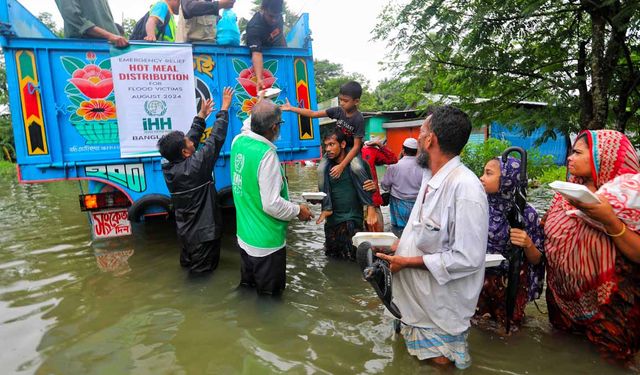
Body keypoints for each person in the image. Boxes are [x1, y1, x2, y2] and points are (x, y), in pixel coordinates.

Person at [376, 106, 488, 369]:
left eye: (421, 131)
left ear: (430, 140)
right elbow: (421, 228)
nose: (418, 137)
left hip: (440, 311)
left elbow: (468, 258)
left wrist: (406, 261)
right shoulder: (430, 176)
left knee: (439, 366)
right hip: (417, 303)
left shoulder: (466, 189)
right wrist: (398, 246)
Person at [544, 129, 640, 365]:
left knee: (606, 365)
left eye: (577, 152)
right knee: (558, 359)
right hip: (561, 304)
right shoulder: (567, 193)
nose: (569, 158)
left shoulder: (629, 201)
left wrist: (610, 220)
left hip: (609, 308)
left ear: (602, 157)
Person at [230, 100, 314, 295]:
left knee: (248, 290)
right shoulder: (266, 155)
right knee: (270, 300)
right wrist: (297, 209)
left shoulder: (238, 142)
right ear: (274, 127)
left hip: (244, 238)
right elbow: (271, 204)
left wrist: (261, 103)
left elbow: (247, 123)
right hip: (266, 244)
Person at [282, 81, 378, 230]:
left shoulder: (358, 118)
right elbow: (313, 114)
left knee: (357, 167)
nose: (342, 103)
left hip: (351, 149)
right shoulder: (338, 111)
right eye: (340, 100)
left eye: (345, 101)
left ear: (356, 101)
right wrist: (291, 109)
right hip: (339, 146)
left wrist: (341, 165)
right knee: (320, 169)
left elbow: (357, 145)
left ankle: (369, 206)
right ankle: (327, 207)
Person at [157, 87, 233, 274]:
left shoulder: (169, 166)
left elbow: (189, 140)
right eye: (188, 142)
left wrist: (201, 116)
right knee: (202, 280)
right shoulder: (196, 166)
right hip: (204, 236)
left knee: (188, 270)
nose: (192, 141)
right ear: (185, 152)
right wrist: (224, 109)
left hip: (186, 234)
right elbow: (215, 139)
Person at [475, 157, 544, 332]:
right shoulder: (477, 206)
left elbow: (537, 260)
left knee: (508, 330)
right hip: (478, 279)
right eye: (483, 172)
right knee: (478, 325)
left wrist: (527, 243)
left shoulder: (526, 214)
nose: (481, 178)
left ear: (508, 180)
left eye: (488, 173)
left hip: (511, 282)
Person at [317, 130, 373, 259]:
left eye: (332, 144)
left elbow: (370, 189)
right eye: (326, 145)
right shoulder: (325, 169)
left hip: (353, 222)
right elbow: (323, 193)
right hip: (332, 224)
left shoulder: (360, 165)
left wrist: (371, 207)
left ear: (342, 144)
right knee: (333, 261)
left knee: (355, 260)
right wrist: (316, 199)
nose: (328, 149)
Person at [380, 138, 423, 236]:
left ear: (403, 150)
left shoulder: (394, 167)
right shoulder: (423, 167)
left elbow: (384, 185)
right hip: (417, 204)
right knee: (415, 231)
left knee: (399, 232)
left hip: (398, 205)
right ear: (416, 152)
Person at [245, 0, 287, 94]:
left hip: (275, 50)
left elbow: (281, 36)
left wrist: (286, 55)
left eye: (277, 16)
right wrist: (259, 79)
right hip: (259, 51)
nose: (274, 20)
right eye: (271, 16)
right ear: (262, 9)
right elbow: (257, 53)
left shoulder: (279, 18)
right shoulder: (254, 26)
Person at [361, 138, 398, 232]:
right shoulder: (369, 150)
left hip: (372, 200)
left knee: (374, 238)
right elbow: (393, 160)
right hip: (359, 203)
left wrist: (380, 145)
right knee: (377, 239)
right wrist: (380, 145)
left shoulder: (370, 151)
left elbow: (393, 160)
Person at [55, 0, 128, 47]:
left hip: (111, 48)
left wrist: (115, 37)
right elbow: (73, 17)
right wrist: (110, 36)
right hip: (85, 49)